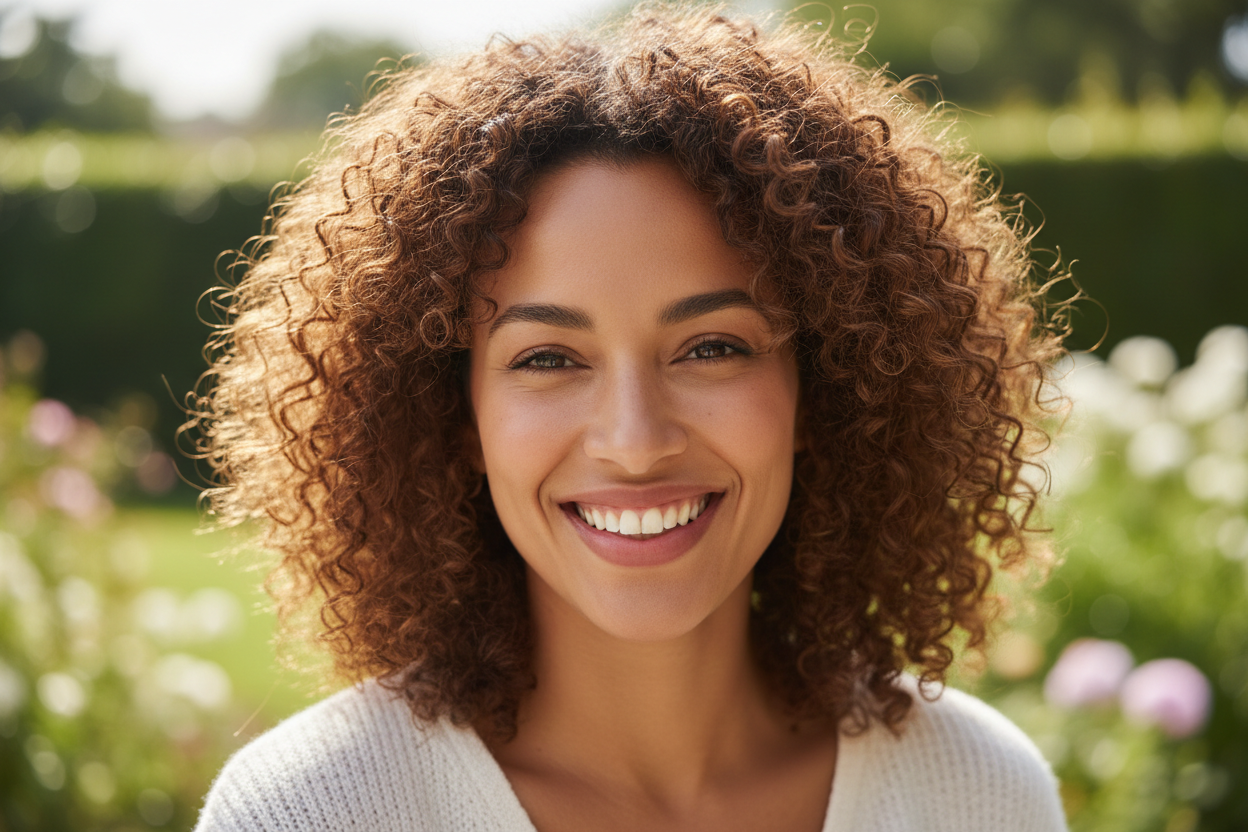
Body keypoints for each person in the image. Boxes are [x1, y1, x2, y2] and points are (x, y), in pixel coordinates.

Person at [190, 5, 1069, 830]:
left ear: (824, 386)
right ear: (455, 417)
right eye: (546, 359)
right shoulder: (312, 813)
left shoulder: (981, 793)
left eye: (712, 347)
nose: (635, 441)